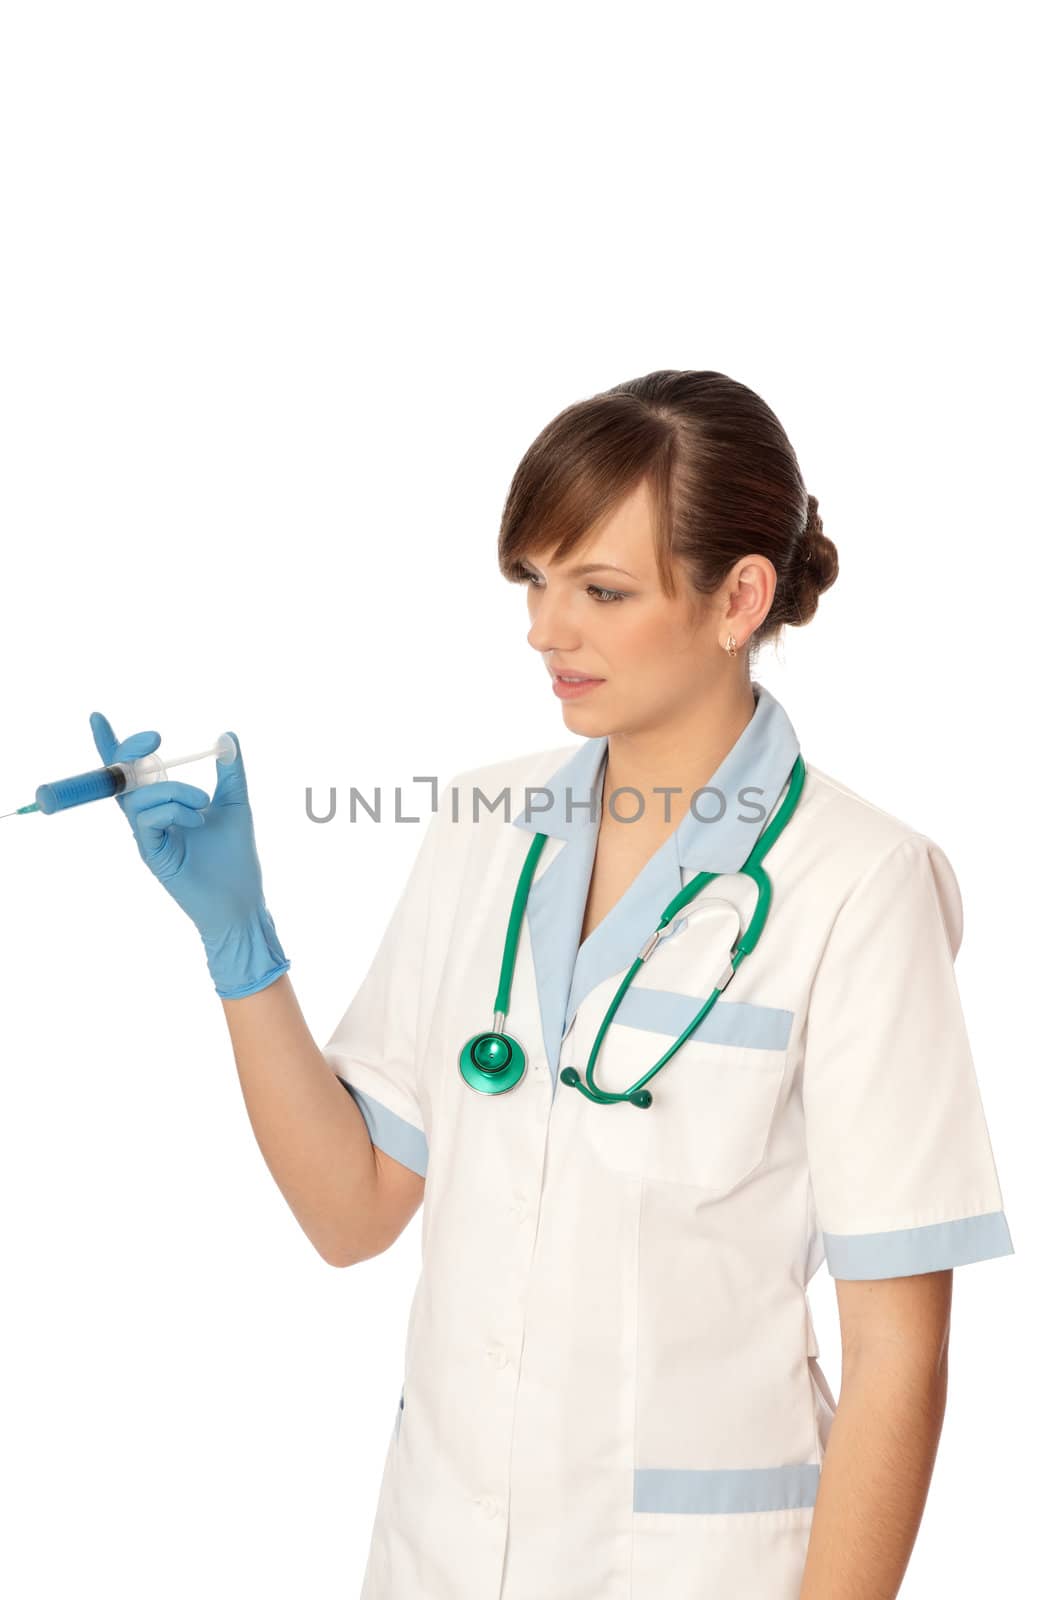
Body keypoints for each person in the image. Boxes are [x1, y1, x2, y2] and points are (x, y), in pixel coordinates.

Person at [93, 369, 1014, 1600]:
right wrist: (241, 950)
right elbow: (352, 1211)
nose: (542, 630)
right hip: (437, 1556)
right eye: (534, 580)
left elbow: (899, 1357)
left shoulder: (858, 881)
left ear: (740, 595)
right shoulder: (483, 826)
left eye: (599, 589)